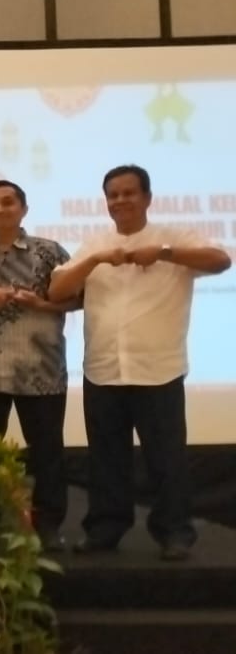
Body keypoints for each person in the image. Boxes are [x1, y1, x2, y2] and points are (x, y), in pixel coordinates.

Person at [48, 164, 231, 561]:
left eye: (128, 193)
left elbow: (220, 260)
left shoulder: (174, 237)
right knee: (106, 459)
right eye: (113, 195)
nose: (120, 201)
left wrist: (164, 253)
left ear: (147, 197)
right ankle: (105, 529)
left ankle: (174, 532)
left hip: (158, 370)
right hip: (103, 369)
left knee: (166, 459)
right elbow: (57, 289)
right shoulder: (94, 244)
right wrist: (93, 261)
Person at [0, 180, 75, 551]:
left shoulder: (50, 252)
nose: (0, 209)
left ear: (23, 209)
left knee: (47, 452)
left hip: (40, 369)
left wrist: (42, 305)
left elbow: (79, 298)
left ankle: (48, 526)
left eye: (8, 202)